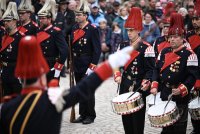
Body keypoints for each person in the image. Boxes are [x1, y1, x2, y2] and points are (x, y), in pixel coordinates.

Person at [0, 35, 133, 134]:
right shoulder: (52, 100)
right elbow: (85, 87)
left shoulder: (7, 107)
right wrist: (110, 64)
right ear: (42, 75)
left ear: (20, 77)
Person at [150, 13, 200, 134]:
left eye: (176, 36)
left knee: (179, 127)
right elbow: (156, 69)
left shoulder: (189, 54)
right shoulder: (164, 51)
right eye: (171, 36)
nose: (172, 39)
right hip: (165, 93)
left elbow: (192, 76)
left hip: (180, 96)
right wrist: (155, 84)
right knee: (166, 127)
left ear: (182, 37)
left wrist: (182, 88)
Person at [114, 7, 155, 134]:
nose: (129, 33)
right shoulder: (123, 45)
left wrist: (146, 82)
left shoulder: (146, 47)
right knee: (125, 117)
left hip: (138, 85)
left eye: (132, 30)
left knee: (137, 119)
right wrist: (117, 75)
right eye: (128, 30)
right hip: (125, 83)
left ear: (138, 30)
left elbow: (151, 69)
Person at [71, 0, 101, 124]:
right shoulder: (74, 28)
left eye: (79, 15)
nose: (77, 17)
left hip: (87, 62)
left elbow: (97, 50)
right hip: (77, 62)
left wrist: (92, 66)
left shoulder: (92, 29)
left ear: (86, 16)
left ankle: (90, 115)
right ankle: (82, 114)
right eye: (76, 15)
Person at [37, 0, 68, 82]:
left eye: (43, 18)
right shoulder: (38, 31)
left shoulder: (56, 32)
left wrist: (58, 67)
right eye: (40, 18)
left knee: (52, 92)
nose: (41, 20)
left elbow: (64, 51)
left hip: (51, 65)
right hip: (39, 65)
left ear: (49, 19)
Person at [0, 2, 24, 97]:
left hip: (16, 72)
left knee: (17, 101)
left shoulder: (21, 38)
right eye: (5, 21)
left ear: (14, 21)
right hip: (5, 71)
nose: (5, 23)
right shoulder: (4, 37)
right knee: (7, 99)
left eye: (8, 21)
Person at [186, 0, 200, 133]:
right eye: (193, 19)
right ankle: (196, 128)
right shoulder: (189, 35)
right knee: (193, 103)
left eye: (198, 19)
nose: (195, 21)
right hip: (193, 74)